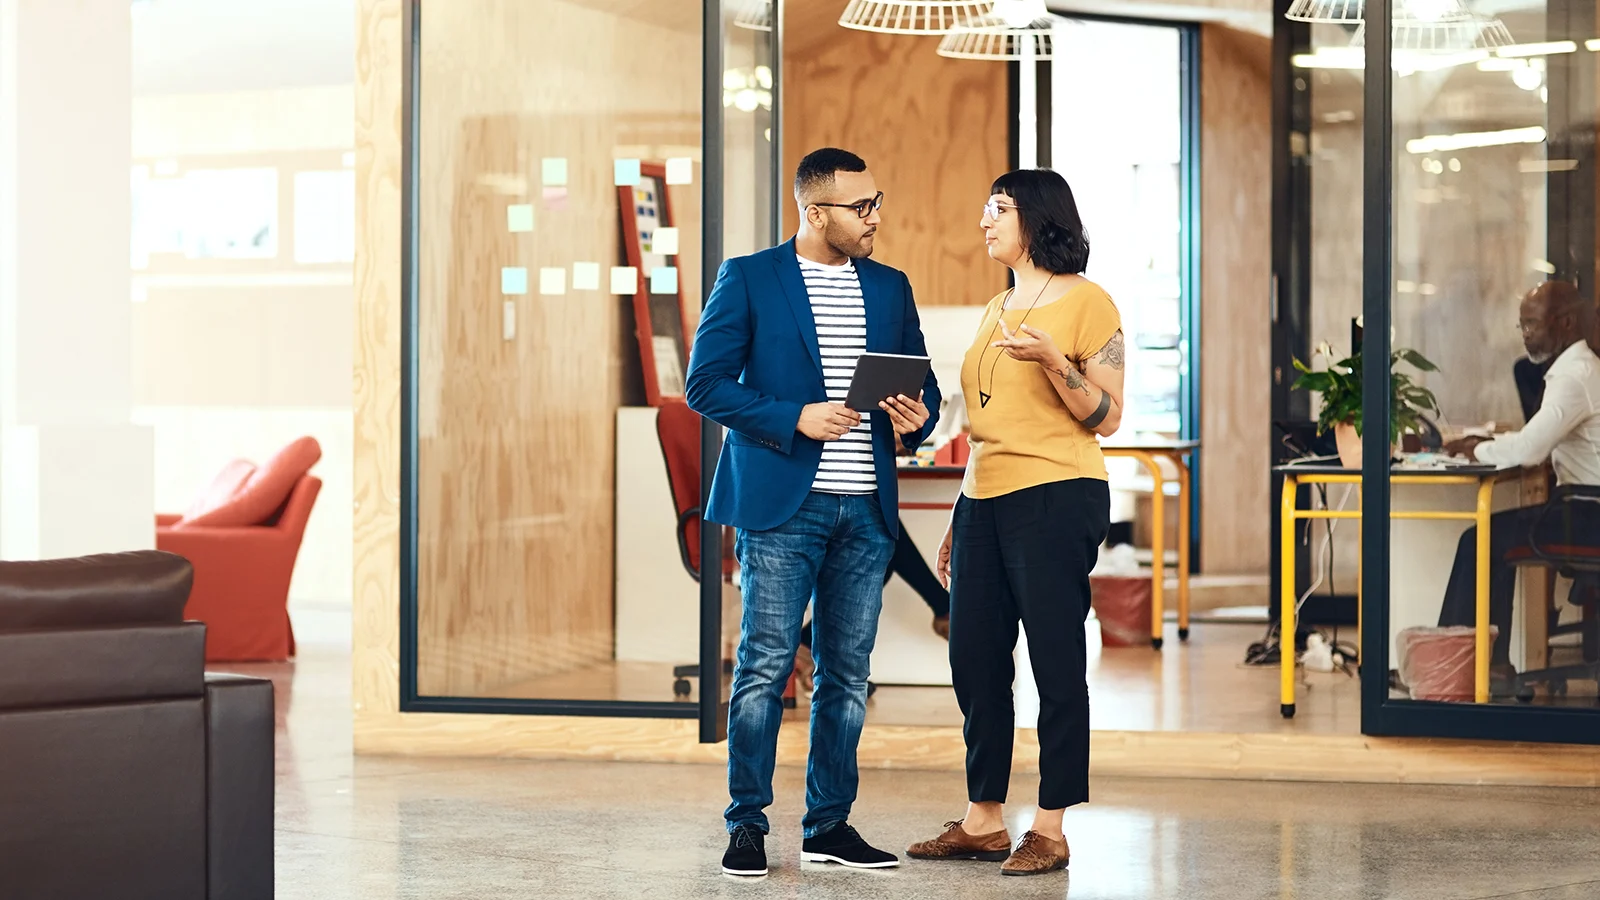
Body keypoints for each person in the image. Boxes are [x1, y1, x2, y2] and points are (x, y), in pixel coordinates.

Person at [685, 147, 941, 877]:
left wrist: (914, 418)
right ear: (813, 210)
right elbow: (705, 385)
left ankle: (829, 826)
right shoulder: (751, 277)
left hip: (865, 507)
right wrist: (793, 416)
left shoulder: (890, 288)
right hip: (779, 507)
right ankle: (747, 826)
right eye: (860, 208)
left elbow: (924, 398)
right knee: (765, 668)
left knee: (847, 675)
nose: (875, 219)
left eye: (877, 203)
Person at [908, 169, 1124, 877]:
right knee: (972, 656)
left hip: (1058, 494)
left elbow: (1109, 416)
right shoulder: (996, 305)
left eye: (996, 208)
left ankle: (1052, 826)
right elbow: (984, 426)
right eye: (984, 206)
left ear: (1035, 217)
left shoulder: (1087, 302)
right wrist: (956, 517)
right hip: (985, 498)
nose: (983, 220)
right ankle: (983, 820)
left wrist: (1057, 362)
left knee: (1055, 660)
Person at [1439, 281, 1600, 679]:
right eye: (1521, 326)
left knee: (1481, 540)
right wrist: (1489, 443)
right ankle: (1488, 664)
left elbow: (1530, 450)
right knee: (1492, 537)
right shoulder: (1581, 369)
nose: (1526, 334)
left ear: (1563, 323)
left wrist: (1475, 449)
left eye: (1532, 324)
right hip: (1585, 508)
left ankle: (1455, 667)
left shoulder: (1573, 377)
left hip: (1587, 514)